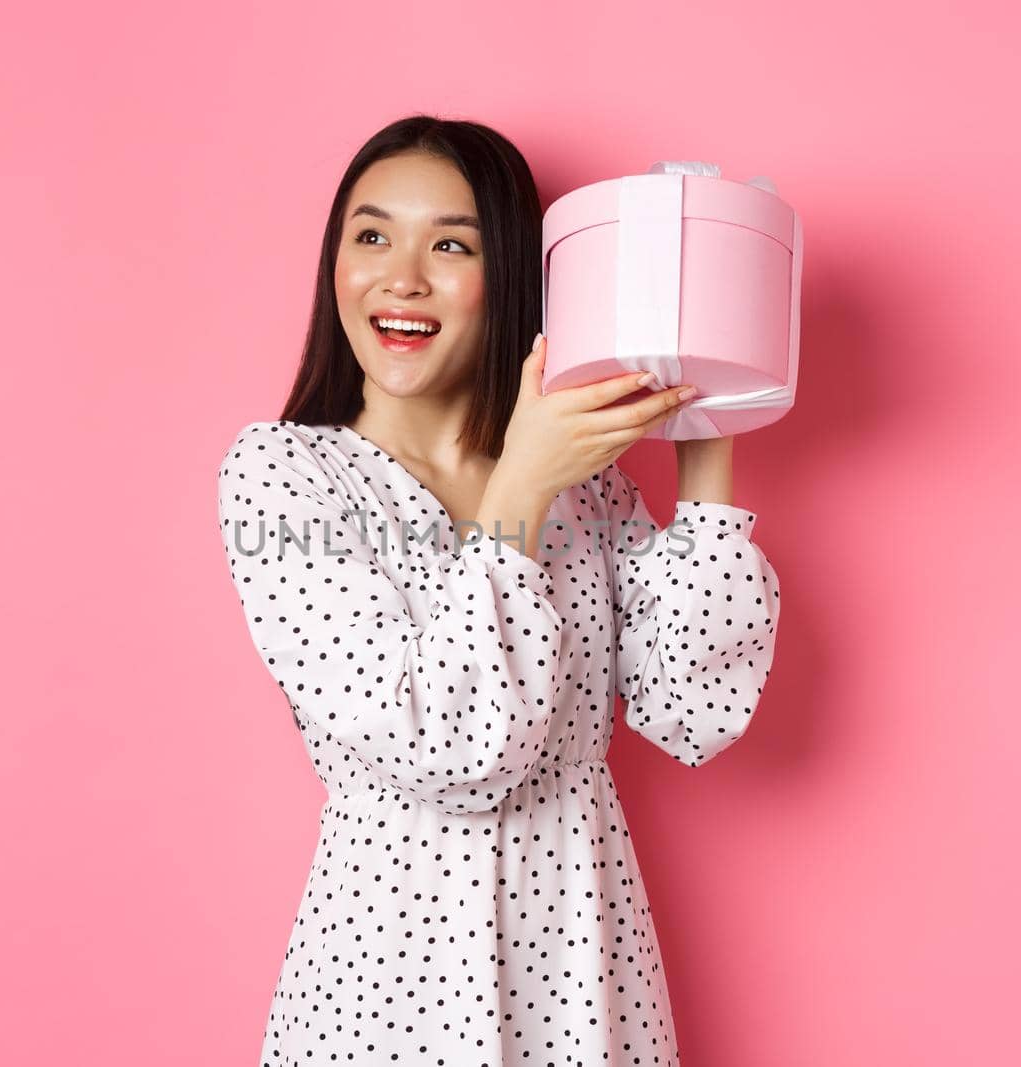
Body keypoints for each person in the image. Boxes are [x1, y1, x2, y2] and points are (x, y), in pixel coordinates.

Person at [216, 114, 781, 1066]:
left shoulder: (590, 484)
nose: (401, 275)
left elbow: (694, 708)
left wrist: (708, 423)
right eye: (370, 235)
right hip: (389, 978)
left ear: (510, 276)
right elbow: (442, 744)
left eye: (449, 244)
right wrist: (522, 485)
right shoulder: (285, 478)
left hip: (582, 960)